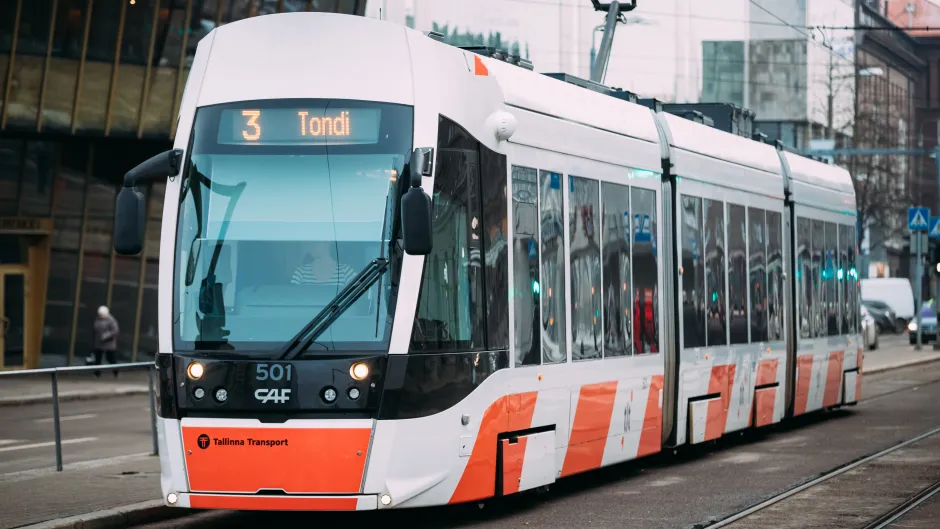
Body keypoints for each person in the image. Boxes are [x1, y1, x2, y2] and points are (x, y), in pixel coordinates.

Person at [291, 242, 356, 287]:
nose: (311, 246)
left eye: (315, 242)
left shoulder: (346, 272)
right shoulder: (300, 273)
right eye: (310, 242)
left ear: (327, 243)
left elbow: (357, 300)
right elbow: (292, 299)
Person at [92, 306, 119, 378]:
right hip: (99, 343)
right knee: (98, 358)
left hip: (108, 343)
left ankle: (115, 371)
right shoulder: (97, 319)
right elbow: (95, 328)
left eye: (102, 314)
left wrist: (106, 336)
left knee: (110, 358)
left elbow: (115, 331)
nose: (101, 315)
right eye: (100, 314)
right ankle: (97, 373)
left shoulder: (111, 320)